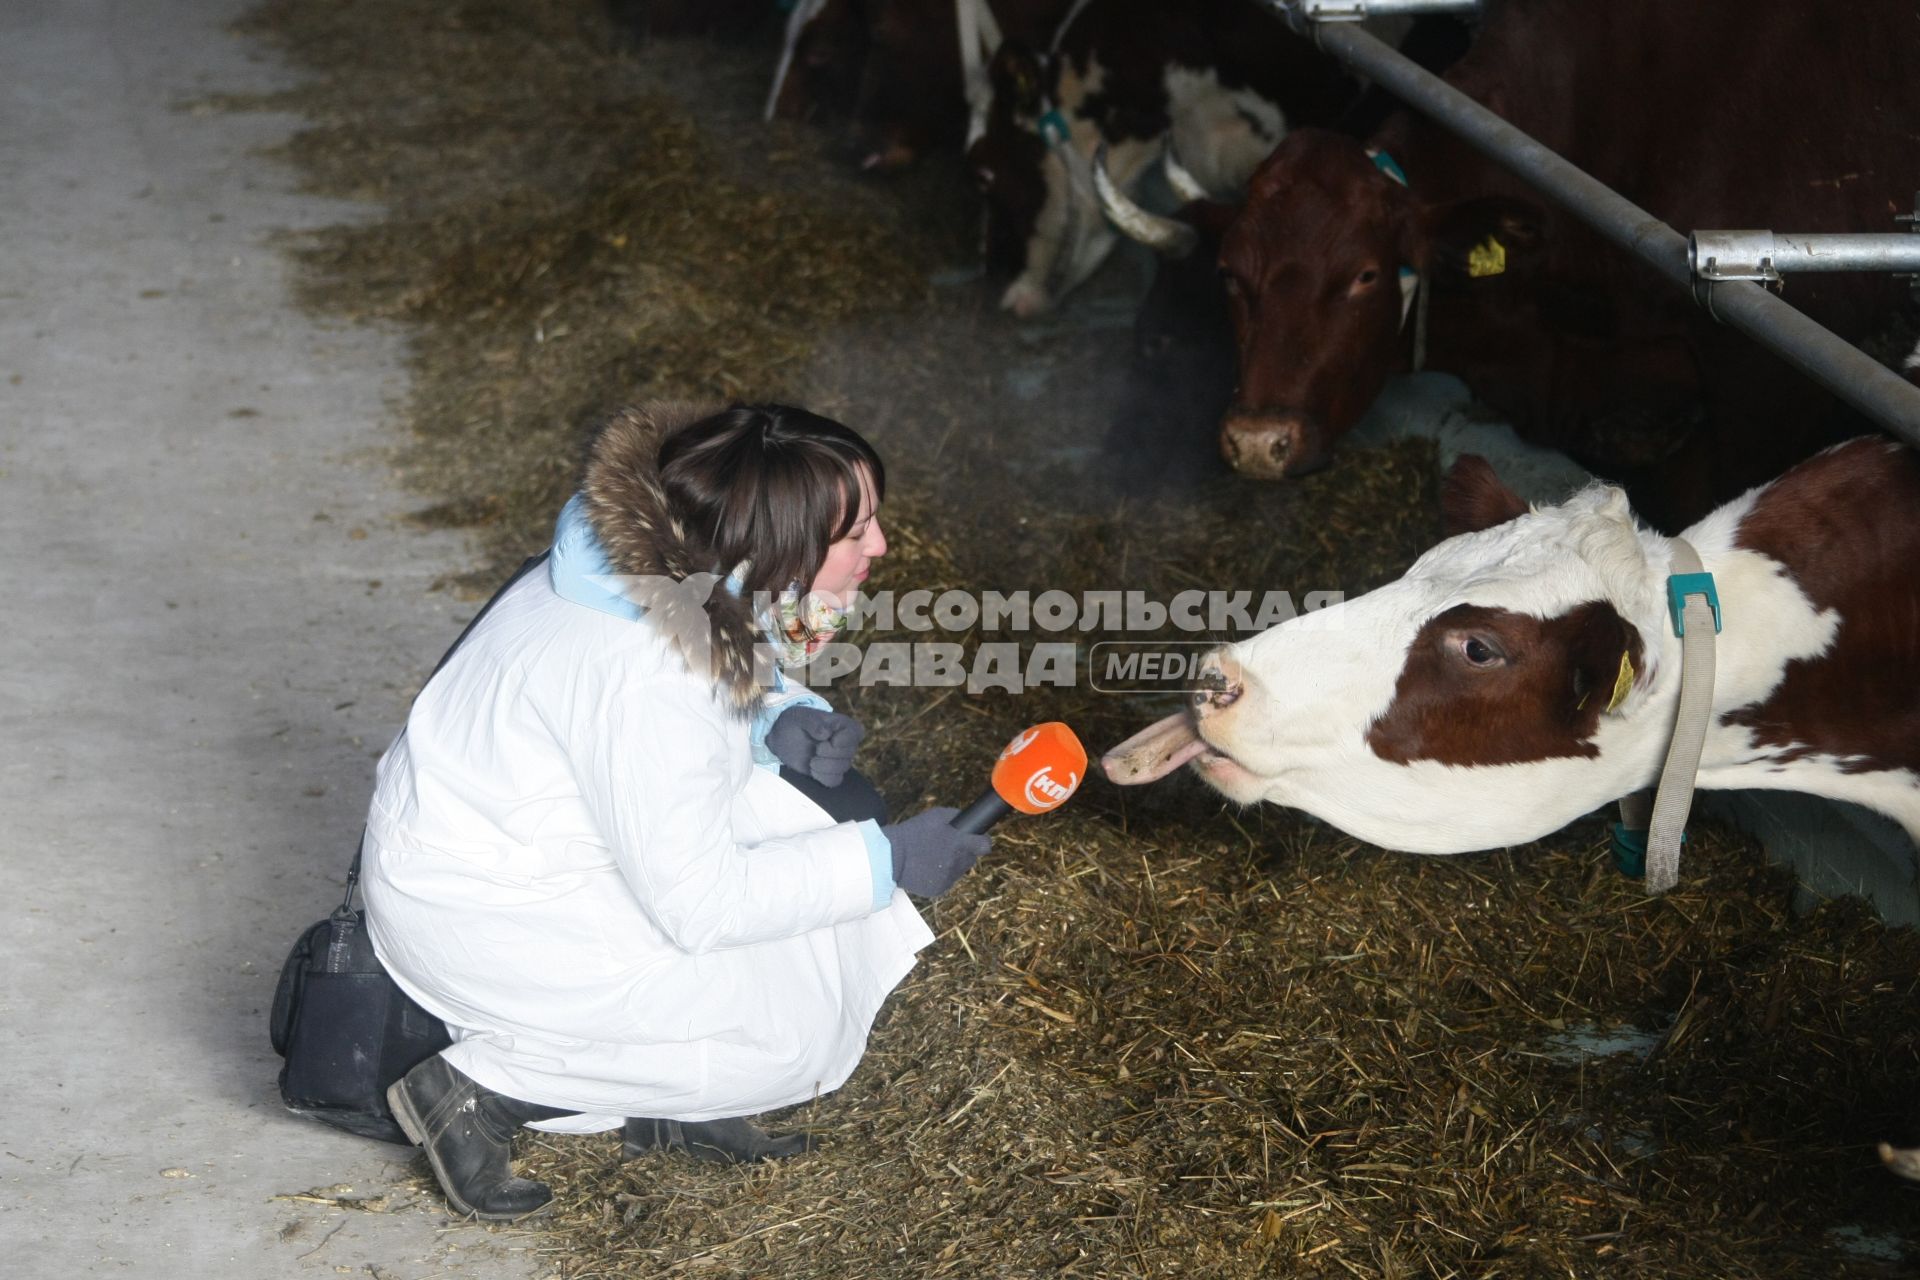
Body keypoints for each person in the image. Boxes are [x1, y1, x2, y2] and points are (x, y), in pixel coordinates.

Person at [362, 401, 992, 1220]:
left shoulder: (642, 564)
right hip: (487, 915)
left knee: (804, 839)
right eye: (854, 532)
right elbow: (704, 898)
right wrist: (891, 862)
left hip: (495, 849)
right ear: (775, 540)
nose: (879, 547)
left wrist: (773, 719)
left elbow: (684, 707)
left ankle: (670, 1096)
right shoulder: (652, 675)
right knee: (784, 1044)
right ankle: (478, 1088)